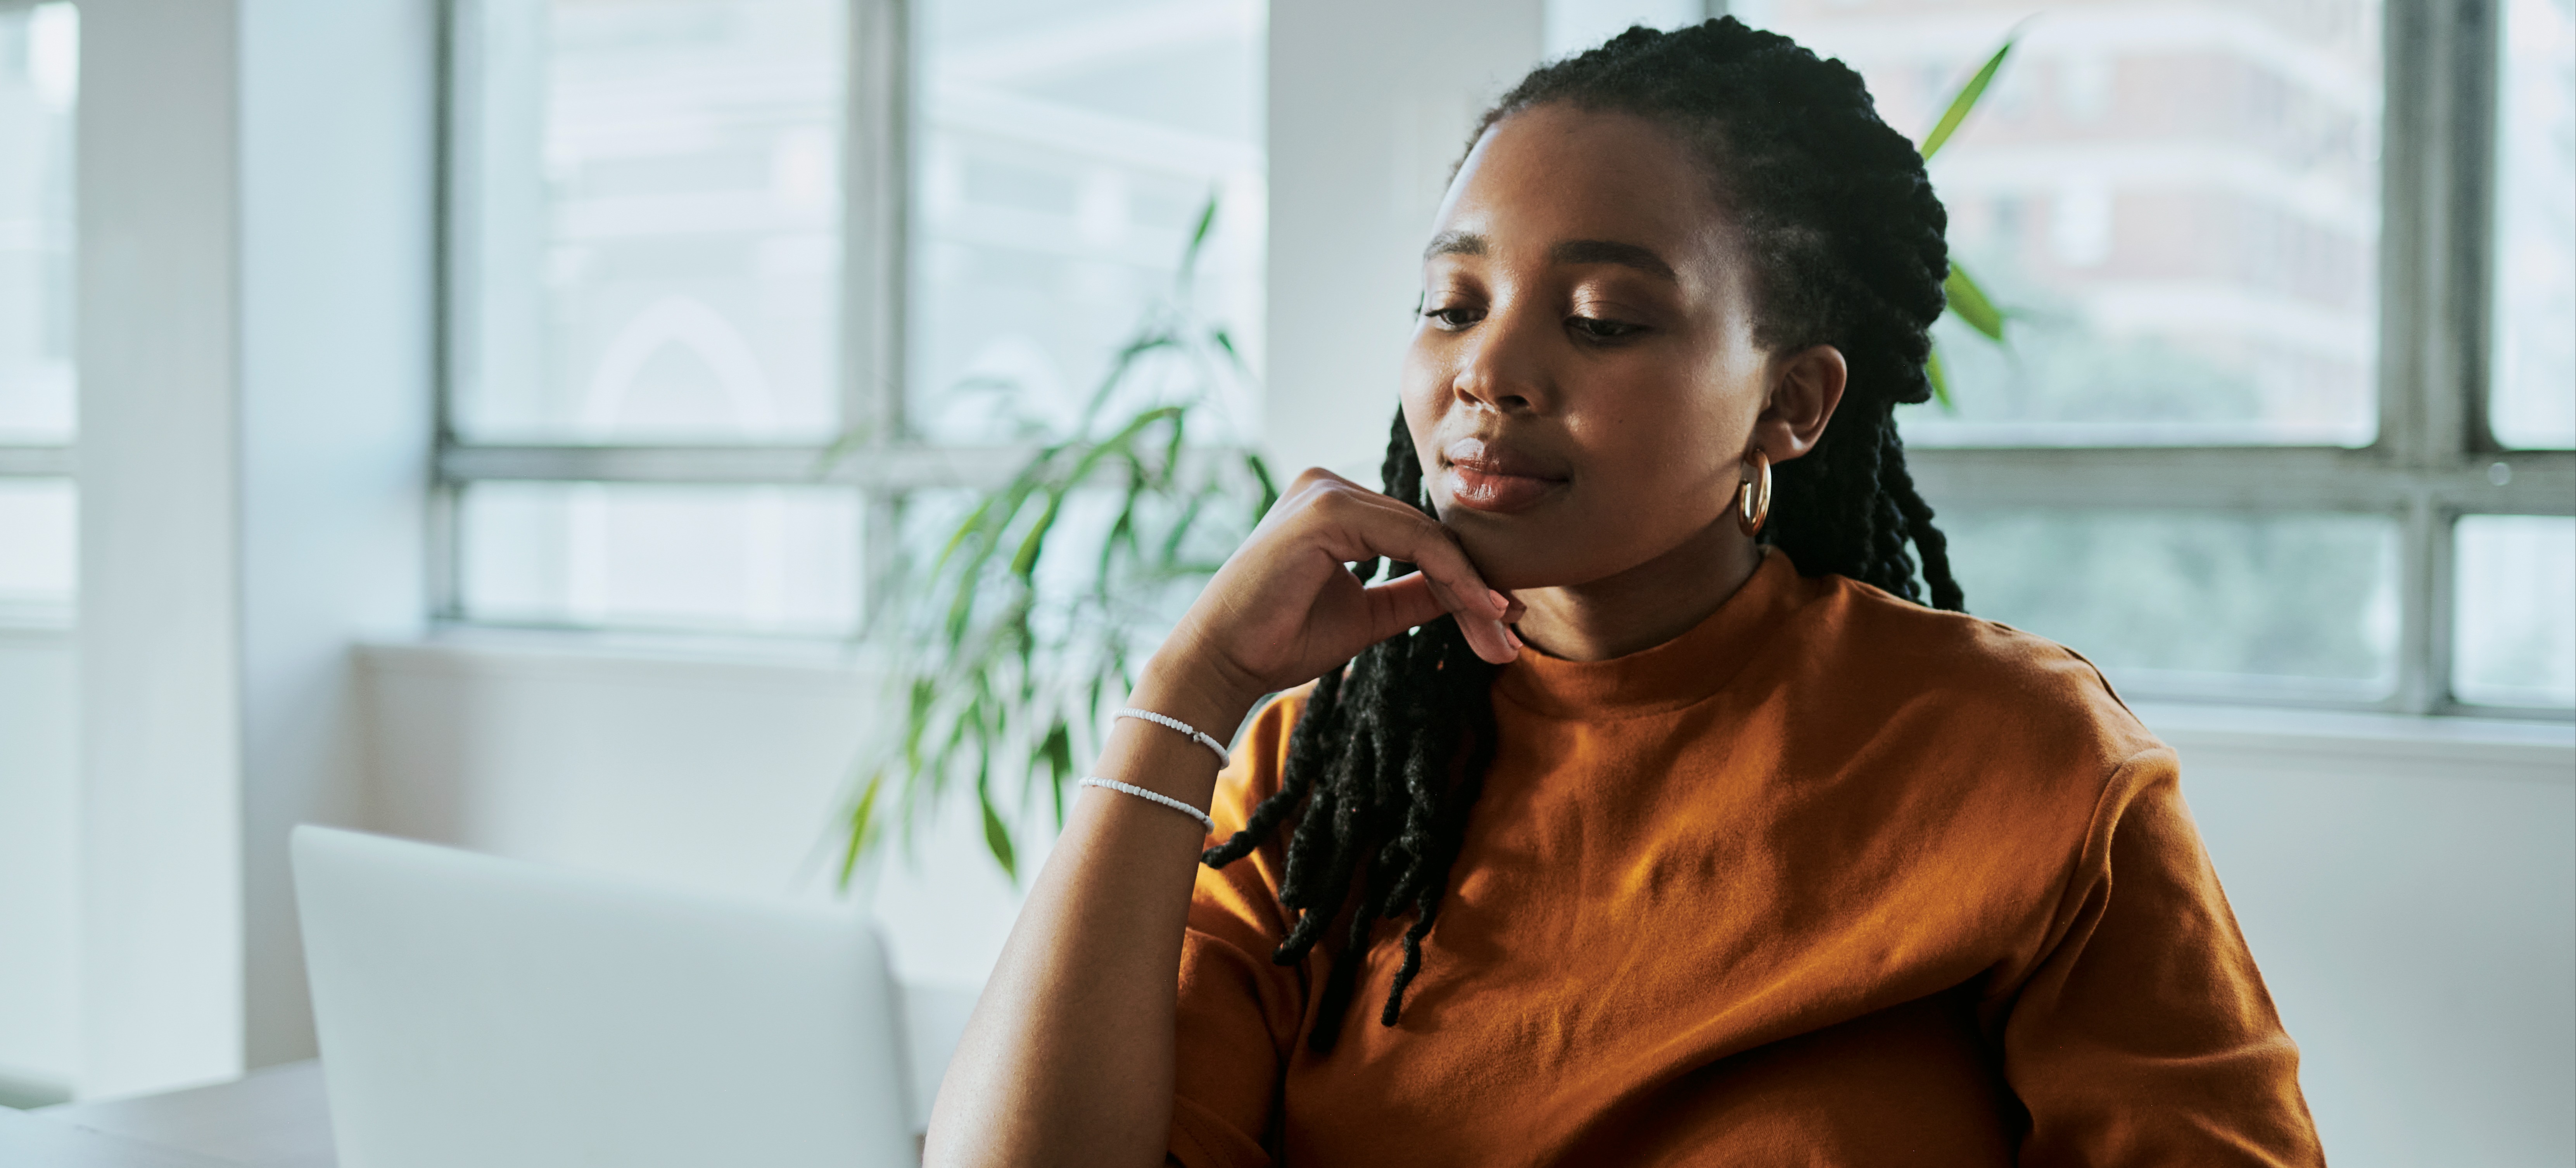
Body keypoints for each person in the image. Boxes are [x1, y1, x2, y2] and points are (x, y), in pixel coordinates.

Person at [924, 19, 2325, 1168]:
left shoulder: (2018, 756)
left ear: (1788, 403)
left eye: (1601, 320)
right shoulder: (1321, 777)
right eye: (1451, 303)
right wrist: (1187, 695)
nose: (1487, 373)